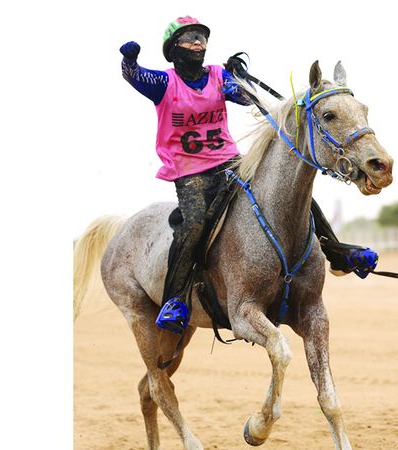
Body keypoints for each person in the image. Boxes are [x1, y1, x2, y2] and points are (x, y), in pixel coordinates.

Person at [120, 16, 378, 334]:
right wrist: (129, 60)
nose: (198, 44)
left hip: (229, 162)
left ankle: (337, 252)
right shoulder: (164, 83)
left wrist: (241, 82)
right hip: (189, 171)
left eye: (202, 38)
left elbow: (243, 96)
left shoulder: (217, 77)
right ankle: (176, 299)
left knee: (290, 195)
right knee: (196, 222)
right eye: (190, 39)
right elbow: (135, 76)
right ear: (173, 49)